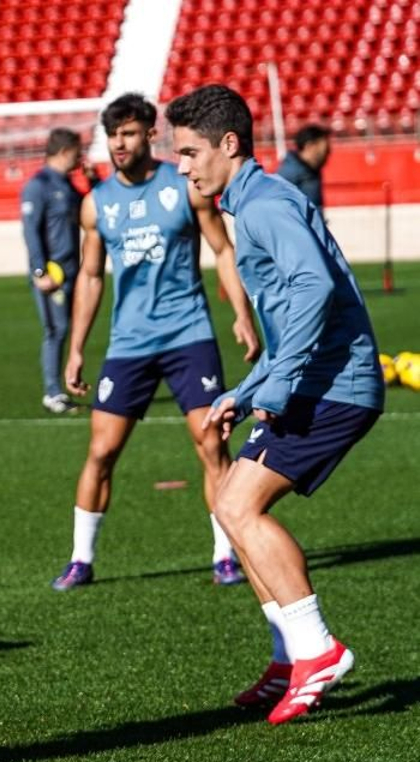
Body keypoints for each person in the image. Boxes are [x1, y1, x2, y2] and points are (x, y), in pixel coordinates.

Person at [169, 85, 382, 724]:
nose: (182, 166)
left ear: (228, 145)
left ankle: (317, 650)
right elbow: (291, 318)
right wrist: (251, 387)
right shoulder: (256, 202)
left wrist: (282, 384)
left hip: (335, 385)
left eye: (189, 152)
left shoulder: (262, 206)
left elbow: (315, 286)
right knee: (232, 502)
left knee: (236, 502)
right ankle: (293, 656)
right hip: (318, 379)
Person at [52, 92, 260, 591]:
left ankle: (224, 553)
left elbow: (222, 249)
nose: (118, 144)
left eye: (127, 133)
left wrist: (241, 314)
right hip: (129, 343)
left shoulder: (184, 186)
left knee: (212, 442)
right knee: (101, 451)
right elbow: (90, 277)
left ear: (149, 134)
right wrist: (77, 347)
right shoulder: (96, 203)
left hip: (189, 334)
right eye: (111, 136)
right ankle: (81, 558)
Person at [20, 127, 93, 414]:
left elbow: (91, 207)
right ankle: (52, 392)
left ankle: (69, 382)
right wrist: (40, 271)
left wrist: (93, 181)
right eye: (77, 152)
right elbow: (31, 231)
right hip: (53, 274)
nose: (80, 157)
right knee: (56, 329)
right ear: (65, 152)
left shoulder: (67, 184)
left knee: (73, 329)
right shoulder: (38, 186)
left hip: (75, 270)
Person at [275, 124, 330, 210]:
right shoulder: (289, 173)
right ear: (310, 146)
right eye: (326, 150)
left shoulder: (312, 171)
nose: (328, 154)